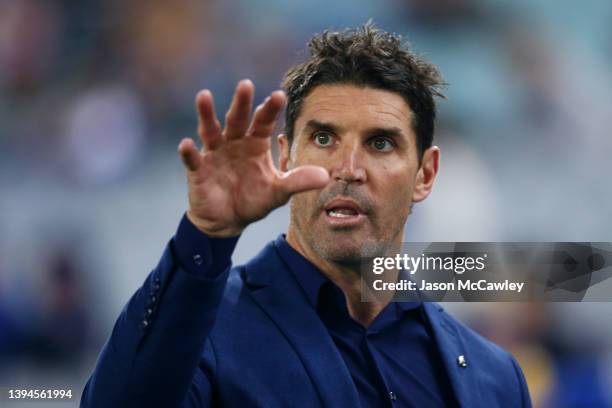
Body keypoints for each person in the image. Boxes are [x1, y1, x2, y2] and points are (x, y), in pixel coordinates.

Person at [81, 24, 531, 407]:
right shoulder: (202, 330)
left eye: (380, 143)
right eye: (323, 138)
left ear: (425, 174)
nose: (348, 170)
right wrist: (206, 236)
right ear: (284, 156)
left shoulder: (496, 377)